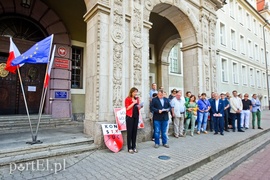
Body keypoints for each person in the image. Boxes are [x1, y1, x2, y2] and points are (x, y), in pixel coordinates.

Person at [125, 87, 143, 154]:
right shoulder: (127, 99)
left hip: (136, 116)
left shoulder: (137, 99)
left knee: (135, 132)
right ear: (131, 92)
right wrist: (133, 103)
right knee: (129, 132)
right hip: (129, 117)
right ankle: (129, 148)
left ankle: (134, 147)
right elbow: (127, 108)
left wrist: (140, 106)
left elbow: (138, 107)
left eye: (136, 92)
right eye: (134, 92)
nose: (135, 93)